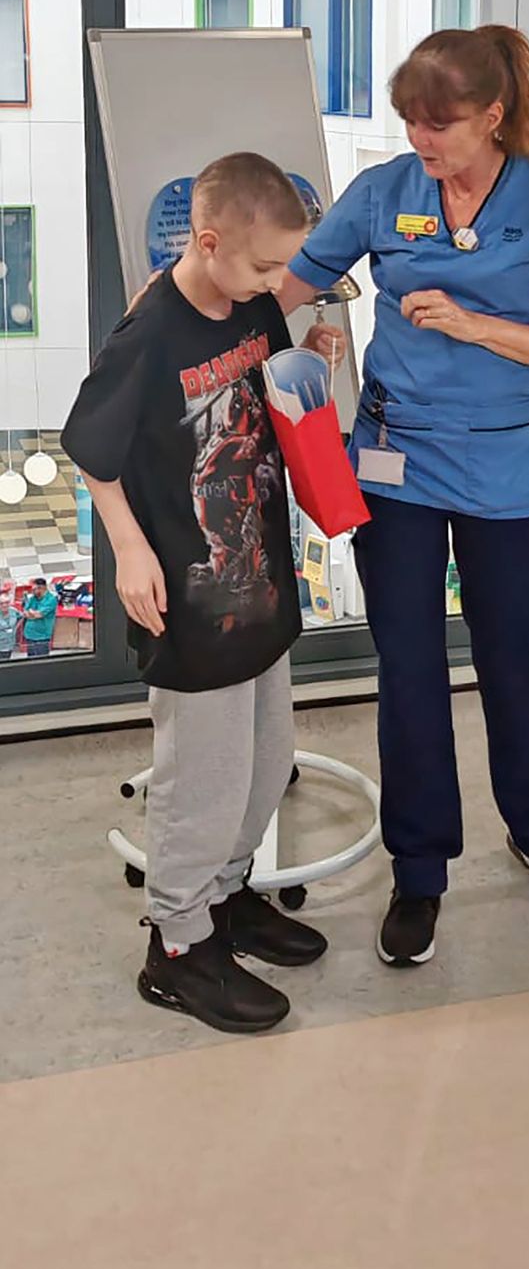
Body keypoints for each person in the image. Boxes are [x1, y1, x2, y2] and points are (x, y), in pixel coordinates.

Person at [279, 25, 529, 969]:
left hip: (504, 472)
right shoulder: (384, 191)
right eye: (412, 122)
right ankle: (418, 871)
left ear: (493, 115)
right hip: (397, 462)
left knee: (515, 667)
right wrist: (191, 322)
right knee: (410, 673)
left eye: (442, 124)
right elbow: (288, 286)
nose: (423, 141)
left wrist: (475, 325)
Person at [62, 152, 333, 1035]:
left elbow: (269, 385)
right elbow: (91, 452)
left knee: (264, 763)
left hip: (259, 580)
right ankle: (177, 946)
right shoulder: (148, 338)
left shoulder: (249, 301)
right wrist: (130, 553)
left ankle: (226, 896)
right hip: (186, 593)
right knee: (201, 778)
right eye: (261, 267)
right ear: (208, 243)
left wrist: (317, 350)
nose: (275, 285)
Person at [21, 578, 58, 658]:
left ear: (42, 588)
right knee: (30, 659)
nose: (32, 591)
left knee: (41, 661)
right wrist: (32, 613)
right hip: (30, 635)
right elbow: (25, 612)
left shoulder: (51, 600)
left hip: (42, 637)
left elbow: (38, 615)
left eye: (34, 589)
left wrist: (32, 613)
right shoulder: (32, 598)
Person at [0, 589, 17, 661]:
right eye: (1, 603)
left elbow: (23, 616)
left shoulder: (14, 611)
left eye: (7, 602)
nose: (4, 605)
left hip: (9, 645)